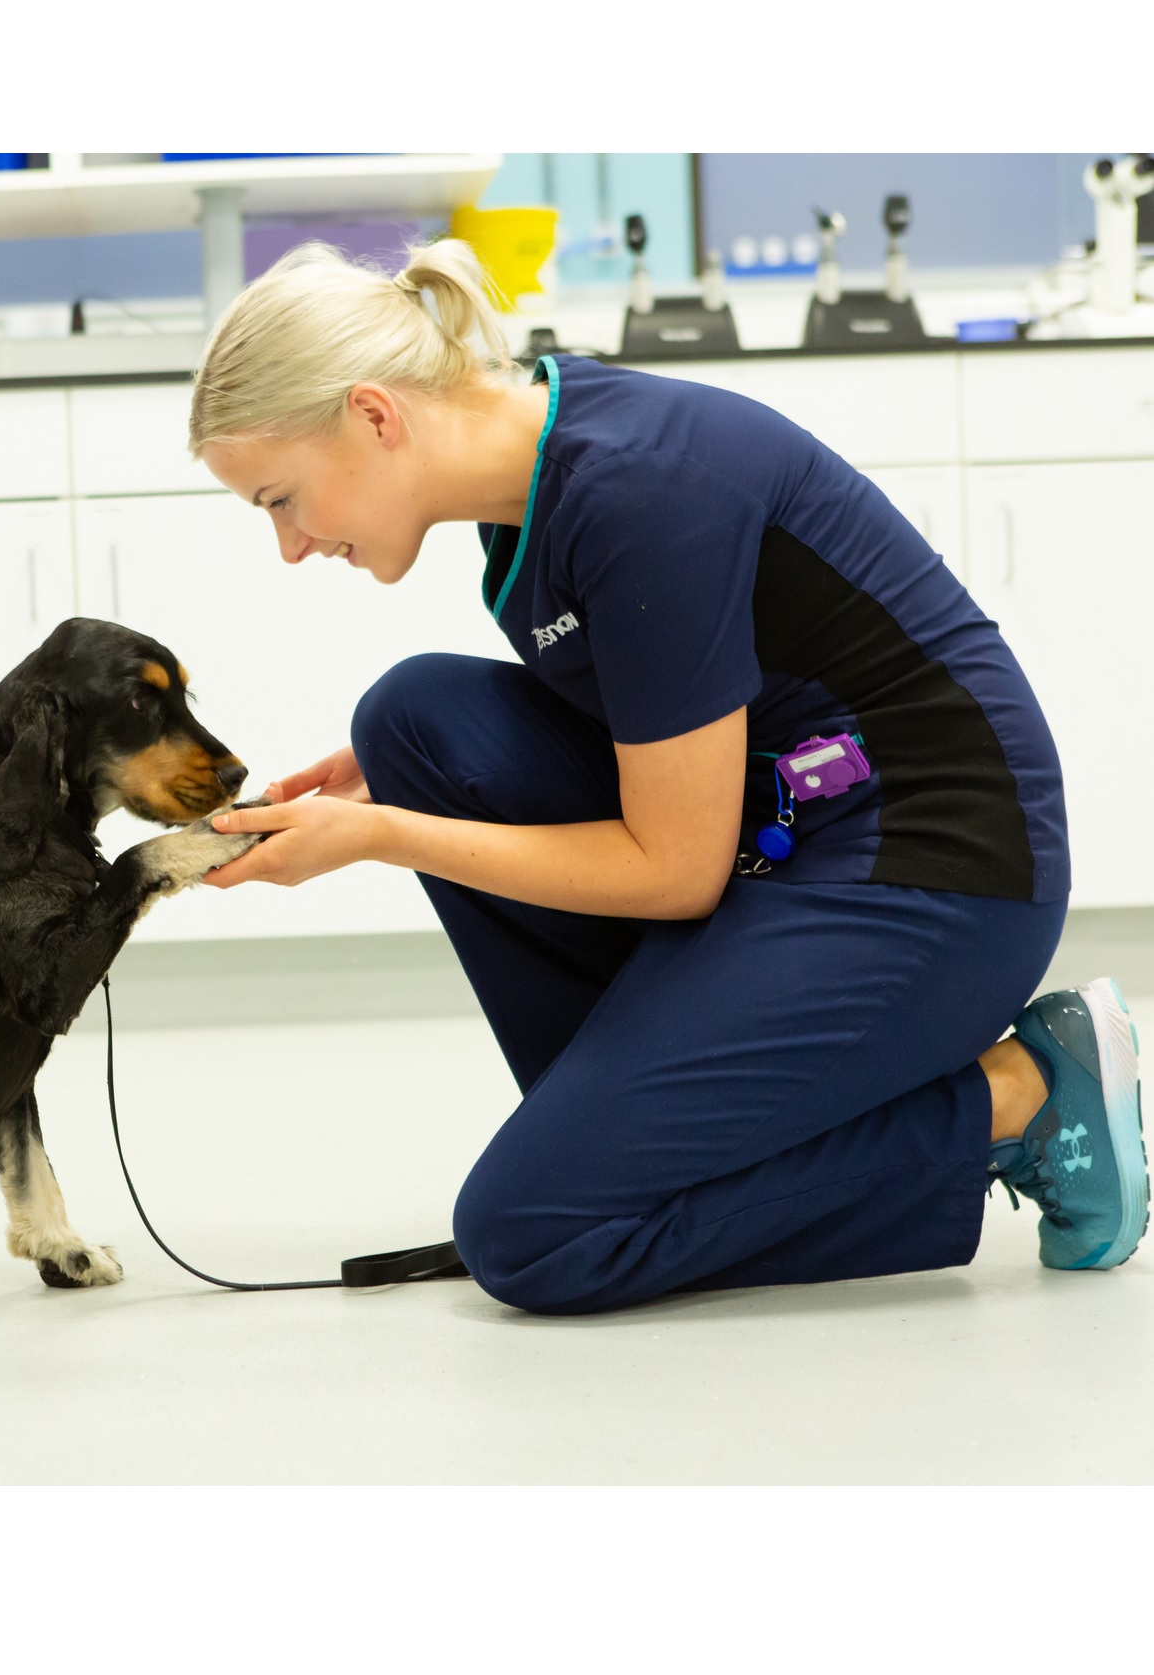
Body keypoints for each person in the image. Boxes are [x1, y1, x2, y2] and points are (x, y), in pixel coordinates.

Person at [189, 239, 1146, 1315]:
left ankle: (1019, 1097)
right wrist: (401, 786)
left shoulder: (636, 488)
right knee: (412, 724)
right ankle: (642, 1147)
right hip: (789, 825)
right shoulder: (532, 483)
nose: (290, 545)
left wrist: (383, 836)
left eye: (280, 499)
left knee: (533, 1235)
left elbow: (675, 872)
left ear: (373, 416)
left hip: (937, 872)